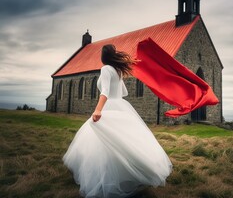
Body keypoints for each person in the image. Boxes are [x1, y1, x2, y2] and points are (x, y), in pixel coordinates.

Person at [63, 44, 172, 198]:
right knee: (122, 142)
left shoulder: (106, 69)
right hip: (121, 105)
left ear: (103, 56)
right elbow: (124, 92)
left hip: (109, 106)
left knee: (103, 143)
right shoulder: (118, 71)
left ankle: (105, 178)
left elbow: (105, 91)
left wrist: (98, 109)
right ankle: (128, 175)